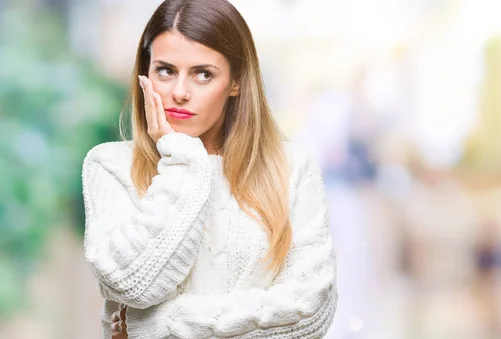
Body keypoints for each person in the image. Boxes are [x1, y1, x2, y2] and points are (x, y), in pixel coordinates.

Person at [81, 0, 338, 338]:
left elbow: (310, 312)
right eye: (165, 71)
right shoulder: (110, 166)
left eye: (203, 74)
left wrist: (159, 324)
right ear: (145, 75)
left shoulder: (291, 167)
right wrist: (182, 161)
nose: (180, 93)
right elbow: (132, 285)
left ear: (235, 82)